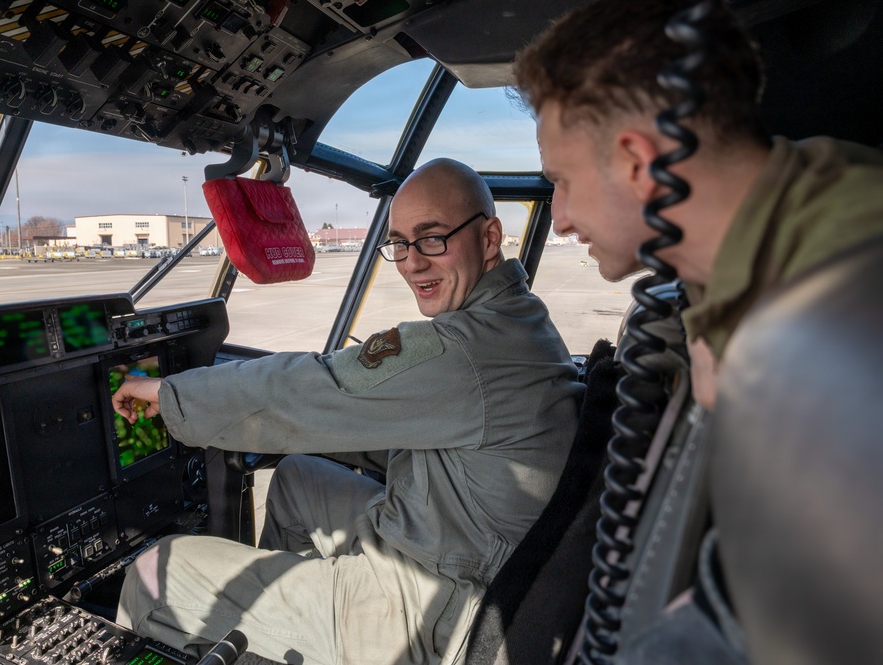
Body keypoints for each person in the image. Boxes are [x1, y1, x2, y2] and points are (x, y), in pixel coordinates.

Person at [111, 158, 584, 665]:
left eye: (431, 238)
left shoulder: (465, 348)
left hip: (434, 605)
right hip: (464, 544)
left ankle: (330, 621)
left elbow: (317, 386)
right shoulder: (515, 318)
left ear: (490, 238)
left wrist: (166, 394)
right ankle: (278, 640)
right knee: (296, 479)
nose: (411, 262)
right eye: (400, 243)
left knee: (152, 572)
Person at [513, 0, 883, 410]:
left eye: (562, 181)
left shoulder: (840, 294)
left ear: (638, 161)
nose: (559, 221)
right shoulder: (729, 265)